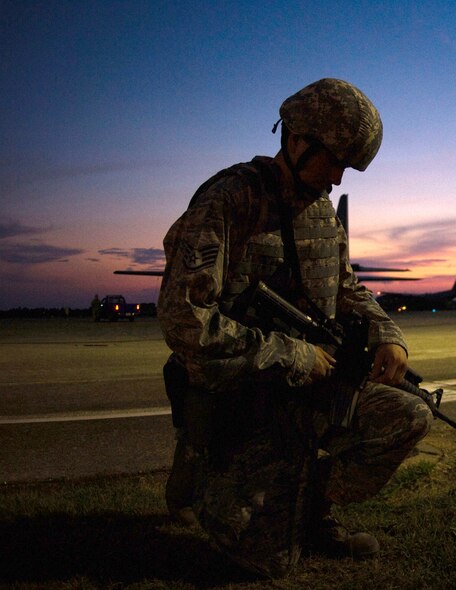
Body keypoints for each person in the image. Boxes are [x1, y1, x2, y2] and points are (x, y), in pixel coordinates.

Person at [157, 78, 432, 578]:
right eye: (334, 160)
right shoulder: (229, 199)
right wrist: (290, 354)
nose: (339, 178)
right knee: (267, 565)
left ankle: (309, 507)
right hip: (243, 393)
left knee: (407, 416)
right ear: (296, 140)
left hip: (306, 386)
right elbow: (184, 321)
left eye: (347, 166)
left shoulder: (322, 212)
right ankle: (203, 466)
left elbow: (347, 287)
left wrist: (386, 332)